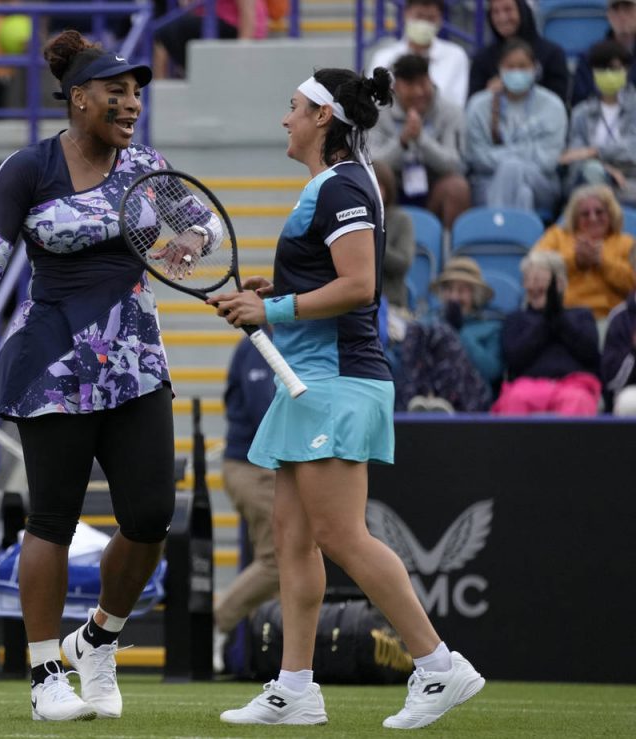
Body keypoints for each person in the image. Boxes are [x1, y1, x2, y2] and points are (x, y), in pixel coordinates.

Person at [208, 67, 484, 729]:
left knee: (339, 534)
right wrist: (273, 293)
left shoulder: (342, 185)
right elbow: (330, 280)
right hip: (311, 383)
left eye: (293, 107)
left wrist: (273, 309)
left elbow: (360, 285)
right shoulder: (336, 185)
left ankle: (438, 663)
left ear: (322, 117)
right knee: (292, 539)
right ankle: (295, 688)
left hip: (336, 383)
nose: (285, 118)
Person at [0, 30, 184, 722]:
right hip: (53, 364)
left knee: (150, 517)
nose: (130, 104)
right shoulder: (27, 169)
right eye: (116, 92)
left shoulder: (148, 165)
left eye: (135, 94)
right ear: (78, 99)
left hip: (136, 362)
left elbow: (194, 231)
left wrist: (193, 247)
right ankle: (47, 675)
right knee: (52, 518)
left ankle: (97, 640)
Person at [213, 335, 278, 674]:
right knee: (279, 560)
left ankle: (271, 651)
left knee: (288, 561)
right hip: (253, 466)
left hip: (266, 464)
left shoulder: (281, 339)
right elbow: (263, 408)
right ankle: (216, 624)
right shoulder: (258, 344)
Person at [463, 38, 567, 213]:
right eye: (510, 67)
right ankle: (520, 229)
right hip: (487, 181)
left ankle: (497, 225)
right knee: (523, 194)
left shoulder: (552, 105)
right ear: (500, 69)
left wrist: (506, 159)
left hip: (541, 182)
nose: (517, 72)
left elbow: (548, 160)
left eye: (523, 66)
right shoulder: (478, 106)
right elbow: (477, 157)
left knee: (512, 168)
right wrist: (525, 152)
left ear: (535, 68)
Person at [491, 251, 601, 415]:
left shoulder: (580, 315)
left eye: (540, 280)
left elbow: (590, 353)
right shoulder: (516, 319)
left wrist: (559, 317)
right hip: (526, 385)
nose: (533, 286)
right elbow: (514, 359)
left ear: (560, 284)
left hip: (574, 384)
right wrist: (545, 322)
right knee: (515, 399)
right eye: (528, 280)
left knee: (577, 400)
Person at [372, 53, 470, 230]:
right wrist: (402, 141)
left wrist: (421, 139)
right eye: (410, 85)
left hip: (434, 188)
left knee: (457, 187)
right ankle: (378, 242)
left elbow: (456, 164)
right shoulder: (377, 113)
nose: (418, 92)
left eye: (423, 83)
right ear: (396, 87)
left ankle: (450, 245)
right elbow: (372, 164)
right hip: (393, 190)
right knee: (371, 184)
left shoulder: (451, 112)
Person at [396, 257, 504, 412]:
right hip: (424, 395)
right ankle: (411, 403)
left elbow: (491, 370)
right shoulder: (429, 320)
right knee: (415, 329)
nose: (454, 297)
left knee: (444, 333)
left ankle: (442, 403)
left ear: (475, 295)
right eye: (449, 290)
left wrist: (458, 331)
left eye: (461, 291)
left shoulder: (491, 327)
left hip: (471, 396)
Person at [532, 184, 636, 324]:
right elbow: (534, 269)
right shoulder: (557, 236)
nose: (593, 218)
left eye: (599, 212)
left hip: (610, 319)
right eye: (585, 214)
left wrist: (602, 261)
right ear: (575, 218)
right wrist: (575, 260)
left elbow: (632, 284)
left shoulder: (627, 243)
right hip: (563, 316)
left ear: (611, 214)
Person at [562, 40, 636, 207]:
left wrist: (593, 151)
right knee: (591, 172)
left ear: (627, 70)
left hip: (631, 180)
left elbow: (632, 150)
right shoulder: (581, 112)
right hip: (590, 180)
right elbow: (575, 157)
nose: (608, 74)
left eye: (614, 68)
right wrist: (606, 168)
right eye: (601, 69)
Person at [367, 0, 470, 108]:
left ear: (440, 18)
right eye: (419, 16)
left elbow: (457, 105)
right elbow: (373, 102)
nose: (424, 23)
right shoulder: (384, 58)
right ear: (406, 14)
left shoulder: (455, 56)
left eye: (430, 18)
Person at [467, 0, 570, 105]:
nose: (502, 18)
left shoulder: (552, 55)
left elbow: (559, 103)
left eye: (508, 10)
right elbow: (472, 105)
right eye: (495, 12)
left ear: (522, 11)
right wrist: (487, 95)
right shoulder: (482, 59)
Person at [153, 0, 268, 78]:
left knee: (173, 29)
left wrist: (242, 50)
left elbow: (248, 13)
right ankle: (199, 75)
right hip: (213, 27)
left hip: (237, 29)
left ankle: (201, 75)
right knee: (164, 32)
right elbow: (190, 8)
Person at [572, 0, 636, 106]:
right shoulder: (590, 56)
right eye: (616, 9)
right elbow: (581, 101)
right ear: (608, 15)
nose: (622, 16)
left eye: (627, 9)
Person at [373, 160, 415, 310]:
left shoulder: (401, 220)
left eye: (378, 185)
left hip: (391, 303)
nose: (372, 191)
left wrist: (373, 240)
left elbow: (403, 262)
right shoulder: (352, 219)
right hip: (357, 304)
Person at [602, 285, 636, 414]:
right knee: (629, 402)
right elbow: (611, 382)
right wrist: (633, 352)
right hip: (630, 391)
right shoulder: (620, 317)